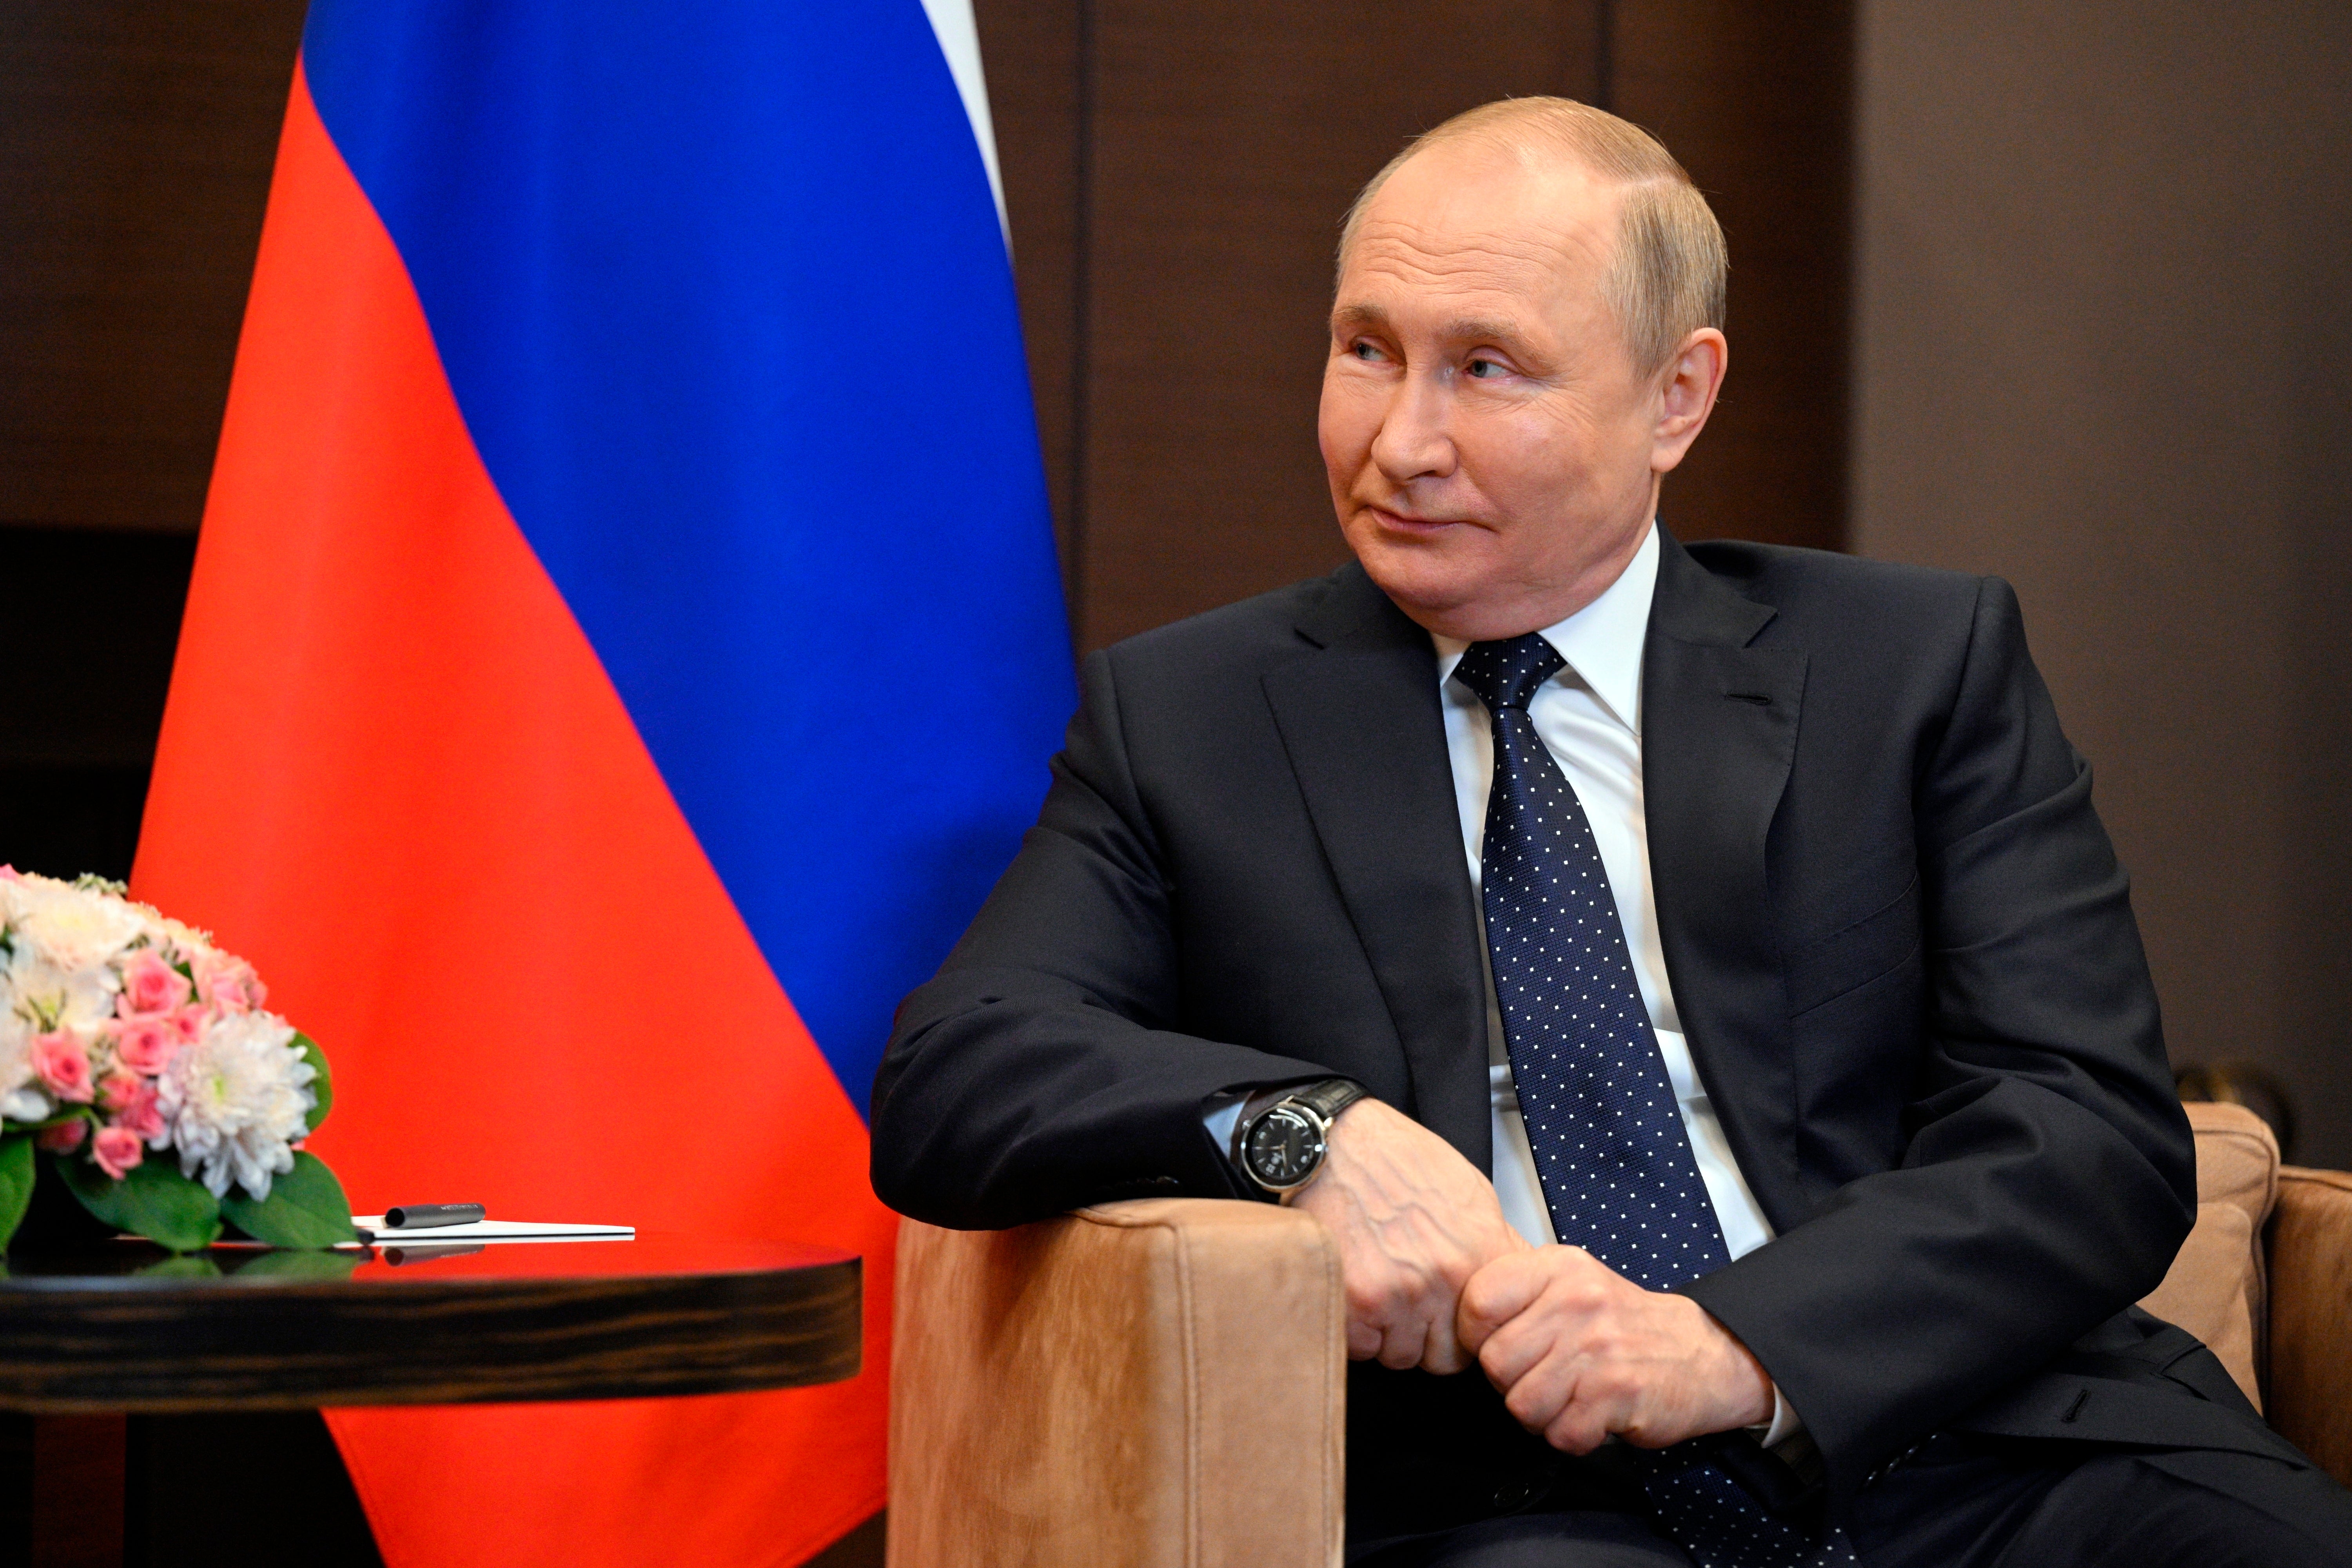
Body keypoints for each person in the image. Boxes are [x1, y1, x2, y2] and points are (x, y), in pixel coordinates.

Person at [870, 97, 2352, 1565]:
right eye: (1366, 350)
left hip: (1964, 1436)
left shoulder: (1907, 668)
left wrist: (1732, 1344)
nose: (1403, 441)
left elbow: (2089, 1126)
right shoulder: (1195, 717)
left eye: (1487, 369)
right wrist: (1307, 1133)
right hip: (1516, 1493)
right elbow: (960, 1070)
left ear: (1676, 399)